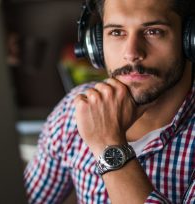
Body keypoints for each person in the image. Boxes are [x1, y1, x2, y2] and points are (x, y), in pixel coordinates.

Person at [24, 0, 195, 203]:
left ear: (189, 39)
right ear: (95, 45)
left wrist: (109, 144)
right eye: (116, 32)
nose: (131, 53)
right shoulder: (76, 108)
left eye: (153, 31)